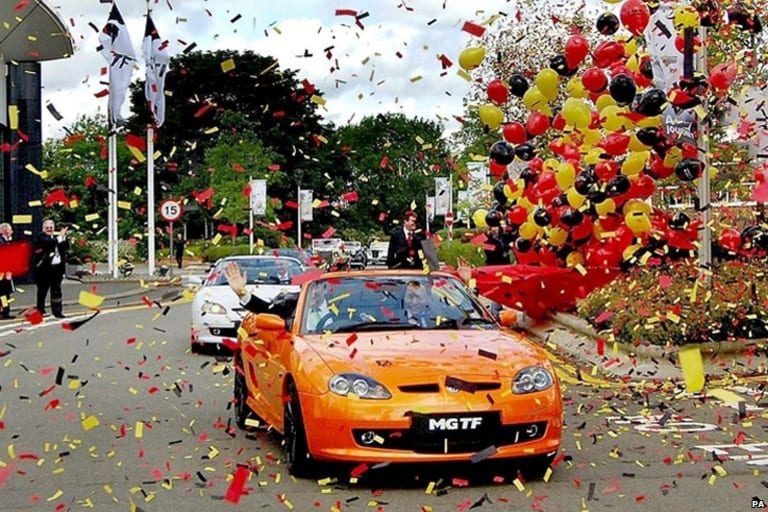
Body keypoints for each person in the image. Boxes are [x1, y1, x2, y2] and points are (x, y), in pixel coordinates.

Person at [224, 261, 299, 319]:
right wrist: (241, 292)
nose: (280, 267)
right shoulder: (295, 300)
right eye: (278, 265)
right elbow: (268, 311)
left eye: (281, 264)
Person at [32, 219, 69, 318]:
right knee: (42, 291)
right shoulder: (40, 236)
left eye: (51, 227)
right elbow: (48, 243)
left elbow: (66, 247)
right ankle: (40, 310)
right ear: (43, 228)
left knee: (56, 291)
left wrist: (64, 238)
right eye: (47, 228)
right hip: (44, 269)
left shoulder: (57, 237)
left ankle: (57, 311)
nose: (49, 229)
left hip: (57, 269)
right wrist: (60, 237)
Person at [0, 222, 14, 318]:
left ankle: (5, 311)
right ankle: (4, 312)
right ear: (5, 231)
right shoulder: (2, 241)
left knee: (4, 293)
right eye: (10, 230)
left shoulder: (5, 241)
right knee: (3, 292)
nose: (12, 232)